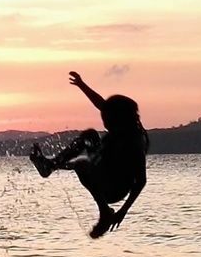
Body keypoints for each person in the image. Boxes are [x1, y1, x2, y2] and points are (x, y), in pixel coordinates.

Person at [31, 71, 148, 238]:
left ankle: (104, 212)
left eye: (106, 117)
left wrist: (123, 211)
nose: (103, 120)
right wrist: (81, 85)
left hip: (115, 189)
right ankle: (49, 166)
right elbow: (101, 104)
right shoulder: (119, 127)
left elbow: (141, 181)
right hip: (105, 169)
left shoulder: (133, 142)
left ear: (118, 118)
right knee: (90, 135)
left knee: (81, 164)